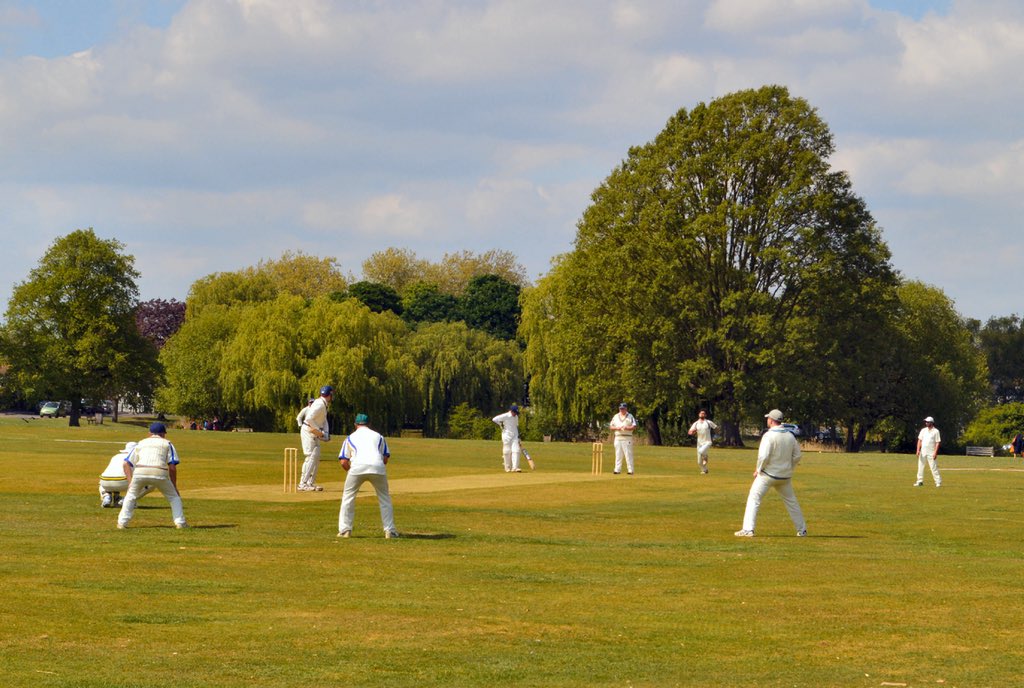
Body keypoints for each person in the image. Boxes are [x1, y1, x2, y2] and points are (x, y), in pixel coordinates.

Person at [735, 409, 807, 538]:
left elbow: (763, 456)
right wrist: (790, 468)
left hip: (768, 475)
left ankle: (748, 529)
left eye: (768, 418)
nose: (767, 420)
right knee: (792, 502)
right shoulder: (790, 435)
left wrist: (758, 469)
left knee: (754, 499)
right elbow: (797, 456)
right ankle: (802, 530)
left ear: (772, 420)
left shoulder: (769, 436)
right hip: (785, 476)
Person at [116, 422, 188, 529]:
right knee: (174, 497)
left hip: (140, 472)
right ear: (163, 434)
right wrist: (174, 486)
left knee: (130, 496)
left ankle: (122, 523)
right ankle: (180, 523)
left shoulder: (141, 443)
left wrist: (130, 481)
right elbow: (172, 467)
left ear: (149, 433)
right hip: (160, 472)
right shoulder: (167, 443)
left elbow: (126, 463)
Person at [337, 413, 398, 539]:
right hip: (377, 466)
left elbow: (343, 461)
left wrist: (351, 471)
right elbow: (385, 458)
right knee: (384, 498)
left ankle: (345, 530)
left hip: (357, 467)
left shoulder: (350, 437)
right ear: (369, 424)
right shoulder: (379, 436)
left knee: (348, 497)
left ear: (355, 425)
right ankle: (390, 531)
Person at [298, 386, 332, 491]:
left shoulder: (322, 404)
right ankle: (302, 484)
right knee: (310, 457)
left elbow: (324, 420)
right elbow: (308, 418)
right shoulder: (319, 404)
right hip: (308, 431)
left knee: (316, 457)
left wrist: (325, 432)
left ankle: (309, 483)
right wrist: (319, 431)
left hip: (314, 432)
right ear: (330, 395)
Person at [98, 441, 152, 507]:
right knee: (151, 484)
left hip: (105, 482)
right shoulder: (136, 457)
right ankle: (127, 500)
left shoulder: (116, 456)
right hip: (123, 482)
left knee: (103, 480)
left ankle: (106, 496)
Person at [492, 404, 522, 472]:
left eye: (516, 413)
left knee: (516, 450)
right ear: (511, 411)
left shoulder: (516, 416)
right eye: (514, 412)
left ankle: (515, 467)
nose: (515, 414)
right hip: (506, 435)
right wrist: (501, 424)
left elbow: (516, 426)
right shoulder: (505, 415)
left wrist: (518, 436)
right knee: (507, 451)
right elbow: (494, 419)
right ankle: (507, 467)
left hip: (515, 435)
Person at [687, 409, 718, 475]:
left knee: (701, 451)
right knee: (699, 462)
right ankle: (705, 470)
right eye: (701, 413)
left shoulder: (708, 422)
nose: (702, 414)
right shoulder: (696, 423)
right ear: (699, 415)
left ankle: (705, 457)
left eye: (703, 413)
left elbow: (716, 428)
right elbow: (689, 432)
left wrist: (716, 434)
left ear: (705, 415)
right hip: (699, 444)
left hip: (707, 442)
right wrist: (693, 432)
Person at [609, 402, 637, 475]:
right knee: (618, 454)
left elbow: (634, 426)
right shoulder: (615, 416)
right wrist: (616, 428)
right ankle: (617, 470)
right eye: (621, 409)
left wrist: (627, 428)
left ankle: (630, 470)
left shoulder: (630, 416)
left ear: (626, 409)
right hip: (618, 437)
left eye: (623, 409)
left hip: (627, 438)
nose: (622, 410)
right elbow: (611, 427)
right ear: (619, 409)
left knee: (628, 454)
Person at [915, 416, 942, 487]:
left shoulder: (936, 431)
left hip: (931, 452)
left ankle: (938, 481)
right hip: (923, 451)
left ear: (931, 423)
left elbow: (937, 442)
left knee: (933, 467)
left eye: (927, 422)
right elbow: (919, 440)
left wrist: (935, 452)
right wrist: (918, 450)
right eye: (926, 422)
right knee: (920, 467)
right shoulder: (923, 430)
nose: (926, 423)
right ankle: (919, 481)